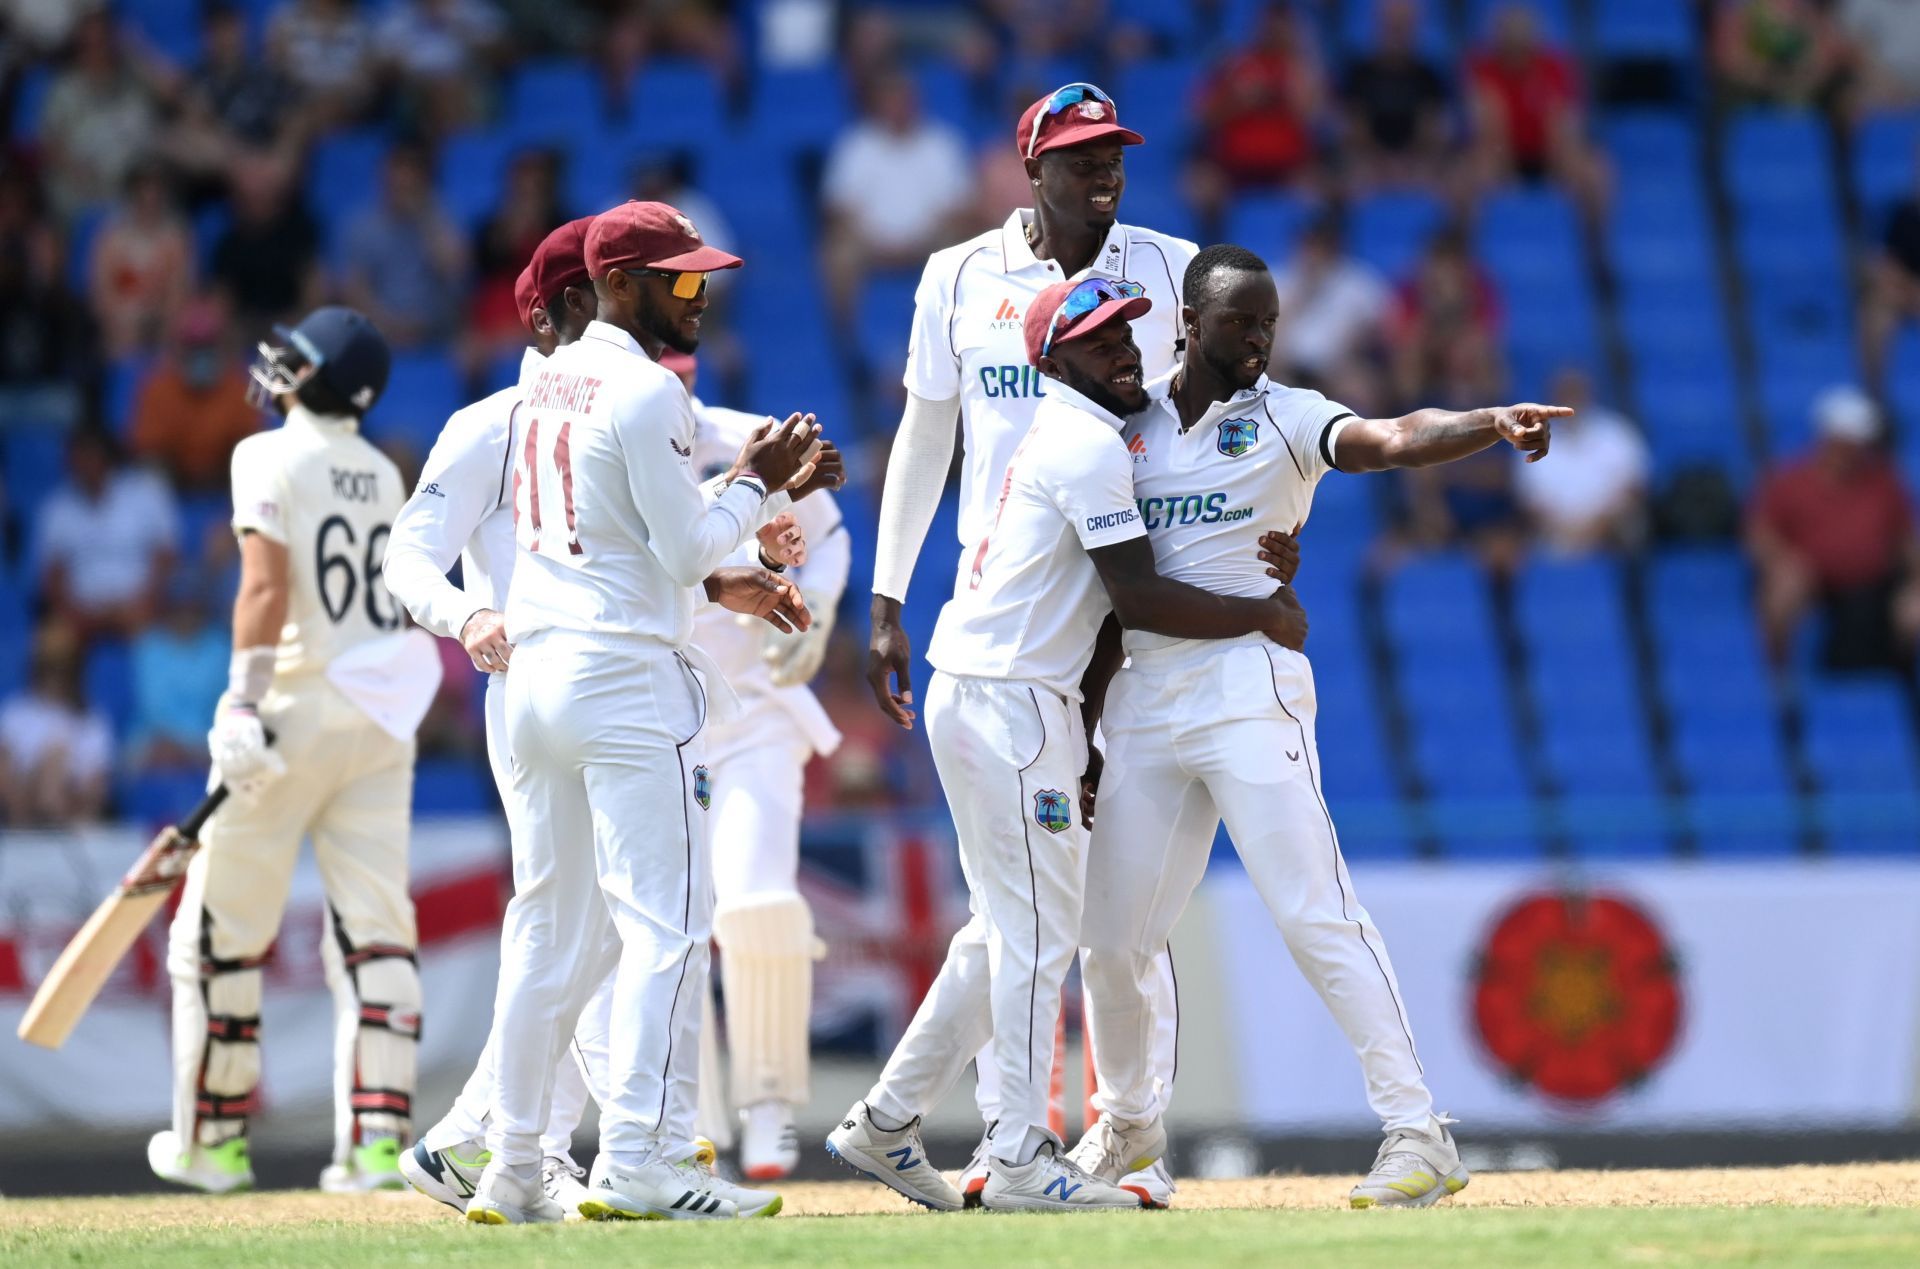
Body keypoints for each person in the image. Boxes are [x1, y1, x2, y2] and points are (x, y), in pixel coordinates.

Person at [1066, 244, 1563, 1210]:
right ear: (1188, 321)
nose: (1256, 338)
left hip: (1249, 685)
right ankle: (1128, 1133)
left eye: (1268, 322)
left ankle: (1419, 1131)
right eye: (1238, 320)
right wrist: (1087, 722)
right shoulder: (1124, 424)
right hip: (1142, 698)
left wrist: (1489, 423)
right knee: (1112, 937)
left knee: (1312, 910)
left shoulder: (1288, 417)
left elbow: (1394, 435)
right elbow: (1105, 594)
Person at [830, 278, 1312, 1211]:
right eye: (1097, 342)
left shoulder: (1068, 433)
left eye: (1128, 332)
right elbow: (1138, 600)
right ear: (1051, 362)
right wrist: (1264, 613)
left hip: (1002, 693)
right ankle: (1017, 1156)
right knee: (1041, 935)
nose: (1125, 351)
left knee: (1003, 932)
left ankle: (887, 1119)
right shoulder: (1087, 444)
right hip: (1010, 700)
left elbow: (1108, 609)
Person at [468, 200, 831, 1224]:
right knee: (665, 929)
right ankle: (638, 1159)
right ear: (619, 285)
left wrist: (726, 580)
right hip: (624, 680)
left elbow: (626, 544)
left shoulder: (540, 389)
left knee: (546, 936)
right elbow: (683, 550)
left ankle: (515, 1164)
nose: (701, 296)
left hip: (536, 677)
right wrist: (756, 485)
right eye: (680, 279)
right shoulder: (644, 392)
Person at [864, 80, 1193, 1209]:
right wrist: (885, 590)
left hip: (1096, 622)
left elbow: (1231, 415)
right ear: (1032, 168)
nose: (1105, 172)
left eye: (1117, 154)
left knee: (1078, 908)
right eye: (1082, 155)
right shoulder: (960, 277)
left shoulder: (1173, 268)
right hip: (1018, 624)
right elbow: (927, 431)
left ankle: (1082, 1126)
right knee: (1041, 915)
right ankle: (1022, 1150)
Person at [146, 305, 444, 1196]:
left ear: (318, 379)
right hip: (379, 718)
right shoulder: (384, 474)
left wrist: (238, 699)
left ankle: (214, 1145)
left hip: (290, 710)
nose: (276, 365)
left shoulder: (263, 454)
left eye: (295, 359)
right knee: (376, 934)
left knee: (217, 936)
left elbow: (266, 585)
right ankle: (378, 1147)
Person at [670, 349, 851, 1180]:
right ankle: (692, 1131)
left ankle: (771, 1114)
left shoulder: (750, 440)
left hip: (756, 714)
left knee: (760, 903)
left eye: (677, 372)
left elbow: (831, 538)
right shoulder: (603, 446)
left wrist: (821, 616)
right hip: (662, 721)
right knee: (670, 929)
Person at [1748, 386, 1920, 671]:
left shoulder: (1885, 483)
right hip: (1814, 584)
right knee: (1782, 591)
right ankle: (1779, 679)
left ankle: (1902, 682)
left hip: (1877, 584)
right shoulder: (1789, 481)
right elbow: (1759, 534)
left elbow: (1907, 539)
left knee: (1915, 608)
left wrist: (1915, 580)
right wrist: (1784, 561)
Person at [819, 68, 972, 332]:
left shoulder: (942, 143)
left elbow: (961, 207)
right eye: (890, 101)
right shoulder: (857, 144)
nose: (897, 108)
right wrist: (874, 241)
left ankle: (955, 332)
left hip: (929, 242)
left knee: (962, 246)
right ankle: (847, 344)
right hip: (869, 242)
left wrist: (917, 241)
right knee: (838, 253)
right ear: (877, 105)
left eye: (903, 100)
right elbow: (839, 209)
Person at [34, 428, 180, 643]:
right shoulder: (57, 508)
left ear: (106, 458)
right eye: (78, 458)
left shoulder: (144, 494)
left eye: (90, 456)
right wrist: (73, 611)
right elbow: (52, 574)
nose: (84, 465)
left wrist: (147, 600)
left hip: (137, 607)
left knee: (159, 638)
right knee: (52, 642)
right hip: (80, 612)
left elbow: (166, 557)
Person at [339, 143, 470, 349]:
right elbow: (355, 292)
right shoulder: (362, 227)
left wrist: (425, 220)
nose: (403, 183)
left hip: (438, 333)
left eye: (411, 178)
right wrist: (392, 326)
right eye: (397, 175)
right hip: (381, 333)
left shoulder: (444, 221)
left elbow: (457, 276)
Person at [130, 298, 262, 492]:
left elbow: (250, 448)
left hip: (224, 490)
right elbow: (147, 453)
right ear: (179, 349)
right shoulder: (158, 389)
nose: (201, 356)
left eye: (207, 347)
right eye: (193, 347)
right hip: (173, 493)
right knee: (149, 473)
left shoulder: (238, 388)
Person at [1513, 367, 1649, 554]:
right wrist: (1565, 529)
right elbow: (1529, 500)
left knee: (1632, 527)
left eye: (1576, 392)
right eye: (1565, 393)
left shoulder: (1617, 431)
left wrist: (1596, 527)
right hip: (1553, 529)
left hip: (1610, 527)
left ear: (1589, 394)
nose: (1571, 399)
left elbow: (1634, 488)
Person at [0, 622, 112, 827]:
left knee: (56, 760)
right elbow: (4, 772)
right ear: (37, 667)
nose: (56, 675)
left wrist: (67, 799)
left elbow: (97, 785)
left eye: (63, 666)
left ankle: (51, 824)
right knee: (47, 761)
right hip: (21, 808)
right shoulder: (15, 712)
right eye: (50, 665)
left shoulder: (91, 720)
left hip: (73, 809)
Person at [1338, 0, 1451, 191]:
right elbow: (1355, 128)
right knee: (1352, 177)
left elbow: (1431, 129)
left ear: (1414, 28)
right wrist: (1382, 162)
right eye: (1392, 26)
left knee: (1437, 177)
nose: (1397, 33)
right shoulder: (1359, 74)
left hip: (1416, 162)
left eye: (1403, 26)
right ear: (1380, 26)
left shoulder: (1428, 76)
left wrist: (1407, 162)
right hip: (1369, 161)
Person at [87, 159, 192, 358]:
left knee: (172, 329)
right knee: (123, 332)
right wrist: (126, 318)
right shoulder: (110, 239)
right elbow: (101, 295)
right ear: (132, 195)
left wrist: (156, 317)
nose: (149, 200)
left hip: (160, 325)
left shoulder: (176, 240)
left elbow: (179, 295)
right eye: (143, 194)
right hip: (121, 324)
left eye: (156, 194)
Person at [1272, 212, 1389, 387]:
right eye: (1309, 245)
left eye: (1321, 246)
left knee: (1360, 386)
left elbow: (1381, 329)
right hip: (1286, 369)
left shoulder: (1359, 281)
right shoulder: (1278, 280)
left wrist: (1355, 347)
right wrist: (1301, 294)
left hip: (1339, 369)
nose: (1314, 253)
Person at [1862, 144, 1920, 388]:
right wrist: (1909, 291)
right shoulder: (1901, 212)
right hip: (1905, 296)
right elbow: (1881, 264)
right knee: (1876, 309)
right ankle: (1875, 393)